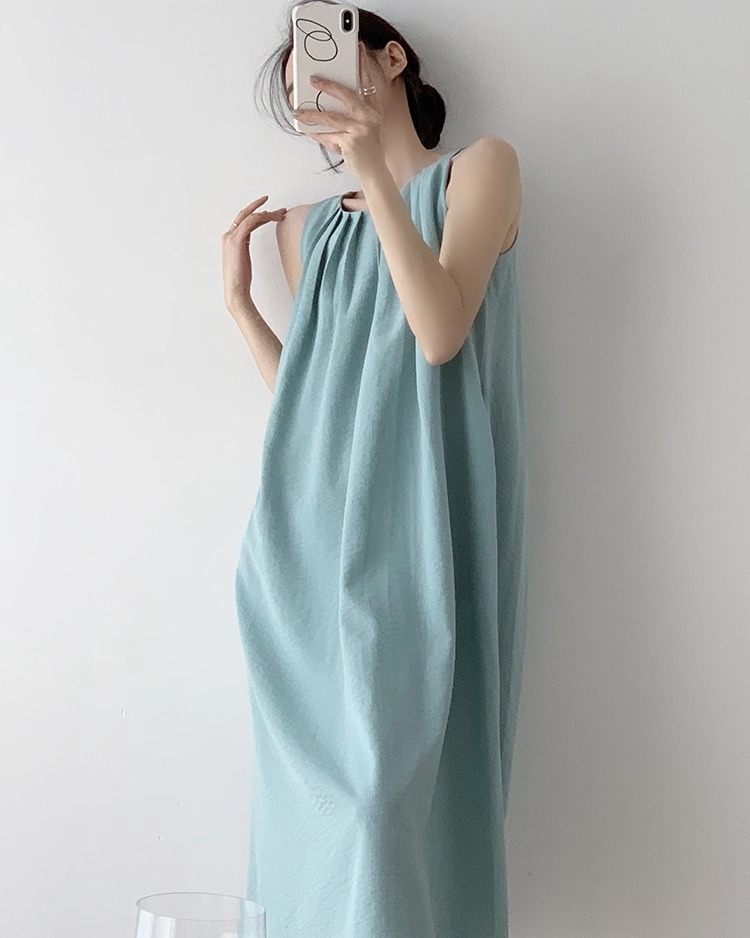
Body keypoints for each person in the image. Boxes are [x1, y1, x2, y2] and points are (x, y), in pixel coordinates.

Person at [222, 3, 529, 935]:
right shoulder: (308, 232)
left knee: (386, 811)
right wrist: (244, 312)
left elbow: (439, 331)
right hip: (305, 560)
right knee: (315, 829)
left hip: (423, 541)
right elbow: (315, 410)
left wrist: (375, 179)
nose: (313, 101)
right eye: (298, 96)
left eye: (325, 69)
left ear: (390, 59)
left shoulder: (481, 171)